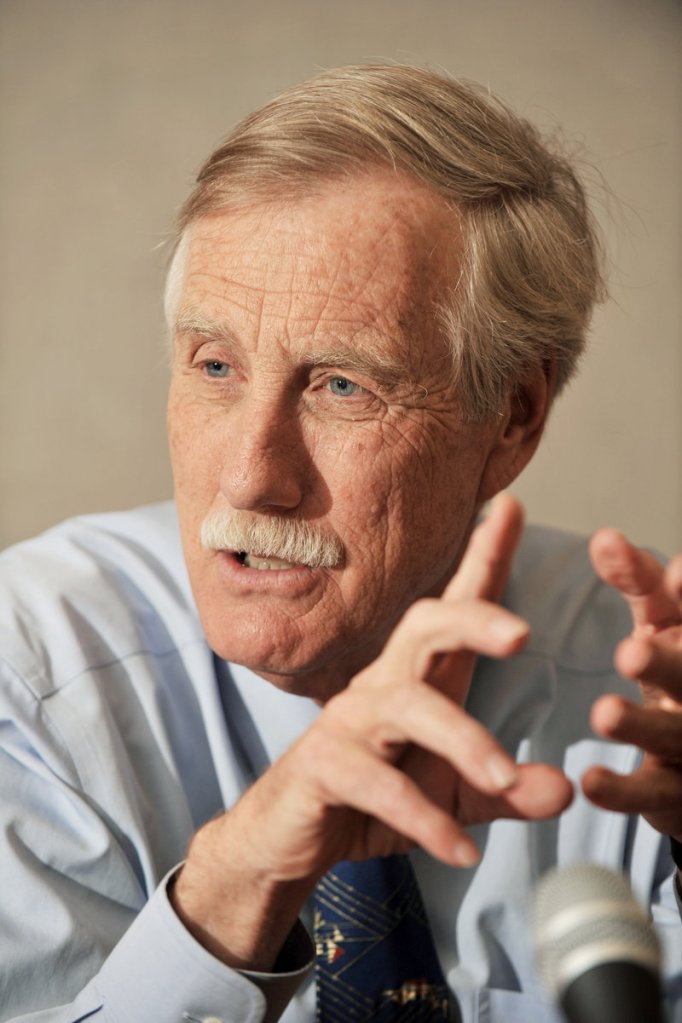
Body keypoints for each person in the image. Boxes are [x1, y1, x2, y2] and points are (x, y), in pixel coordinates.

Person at [0, 63, 681, 1023]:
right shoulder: (31, 676)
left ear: (513, 418)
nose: (249, 477)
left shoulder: (648, 703)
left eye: (342, 387)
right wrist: (234, 883)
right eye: (215, 366)